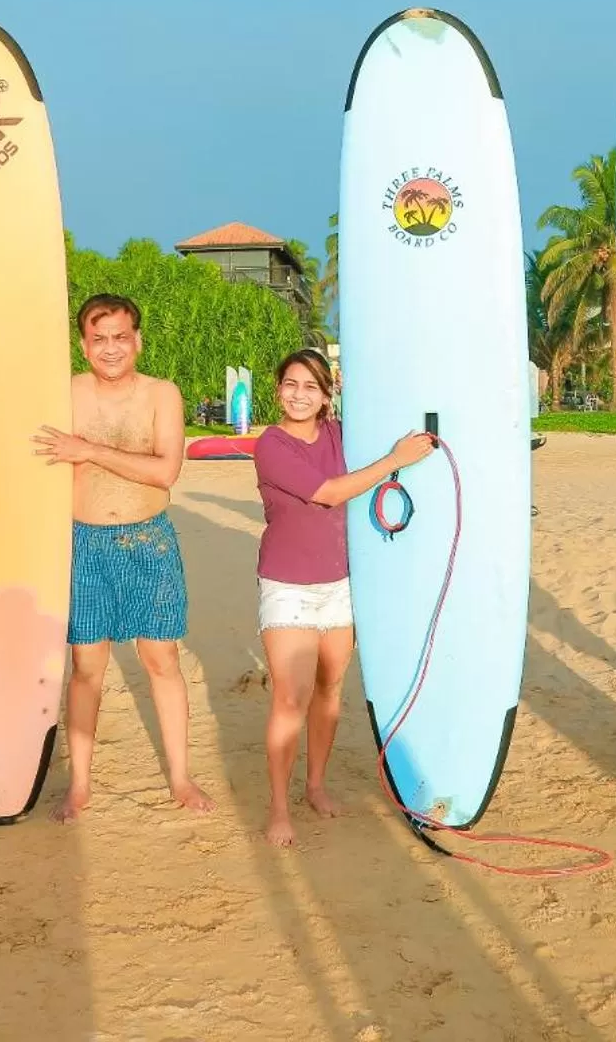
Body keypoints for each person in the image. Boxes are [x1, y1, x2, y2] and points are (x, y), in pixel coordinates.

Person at [32, 293, 213, 821]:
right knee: (87, 667)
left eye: (120, 336)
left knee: (162, 660)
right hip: (83, 543)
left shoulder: (162, 394)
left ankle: (180, 776)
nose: (110, 348)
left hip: (148, 539)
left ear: (138, 340)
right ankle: (80, 784)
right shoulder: (64, 393)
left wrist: (88, 450)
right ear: (83, 344)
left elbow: (164, 471)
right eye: (98, 338)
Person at [252, 348, 432, 846]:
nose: (298, 395)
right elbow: (329, 492)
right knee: (291, 696)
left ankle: (315, 786)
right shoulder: (271, 444)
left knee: (330, 689)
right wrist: (395, 461)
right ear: (277, 390)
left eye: (311, 386)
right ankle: (278, 808)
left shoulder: (338, 434)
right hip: (287, 586)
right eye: (290, 384)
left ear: (327, 395)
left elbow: (384, 411)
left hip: (339, 584)